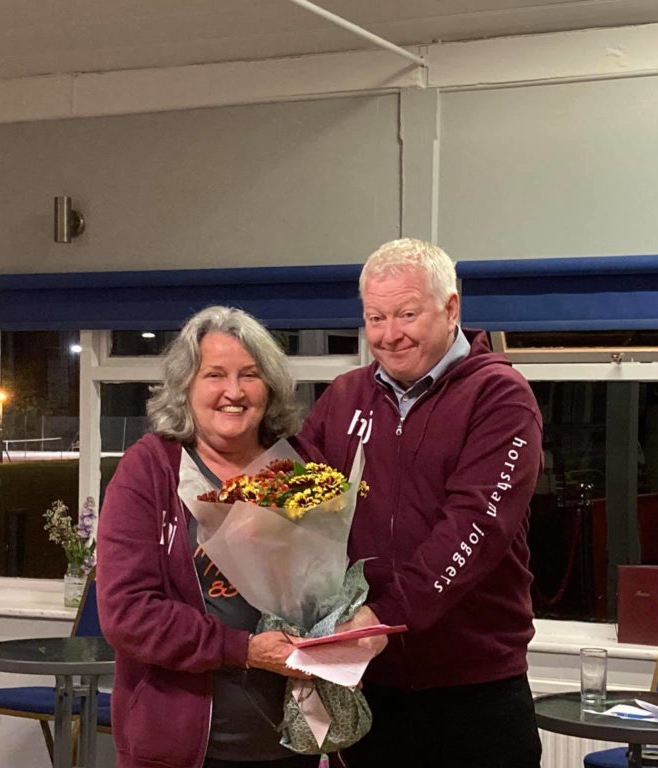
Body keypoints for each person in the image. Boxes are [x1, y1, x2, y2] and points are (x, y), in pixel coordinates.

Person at [298, 238, 545, 768]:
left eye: (407, 313)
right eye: (376, 317)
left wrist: (382, 619)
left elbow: (473, 531)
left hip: (474, 690)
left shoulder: (499, 397)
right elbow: (294, 504)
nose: (389, 335)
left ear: (451, 308)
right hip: (370, 686)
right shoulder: (343, 397)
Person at [98, 305, 320, 768]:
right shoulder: (149, 471)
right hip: (182, 749)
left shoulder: (301, 465)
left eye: (250, 375)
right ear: (186, 388)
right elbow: (127, 614)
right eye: (215, 375)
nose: (233, 392)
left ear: (271, 387)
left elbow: (327, 584)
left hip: (293, 744)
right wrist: (241, 650)